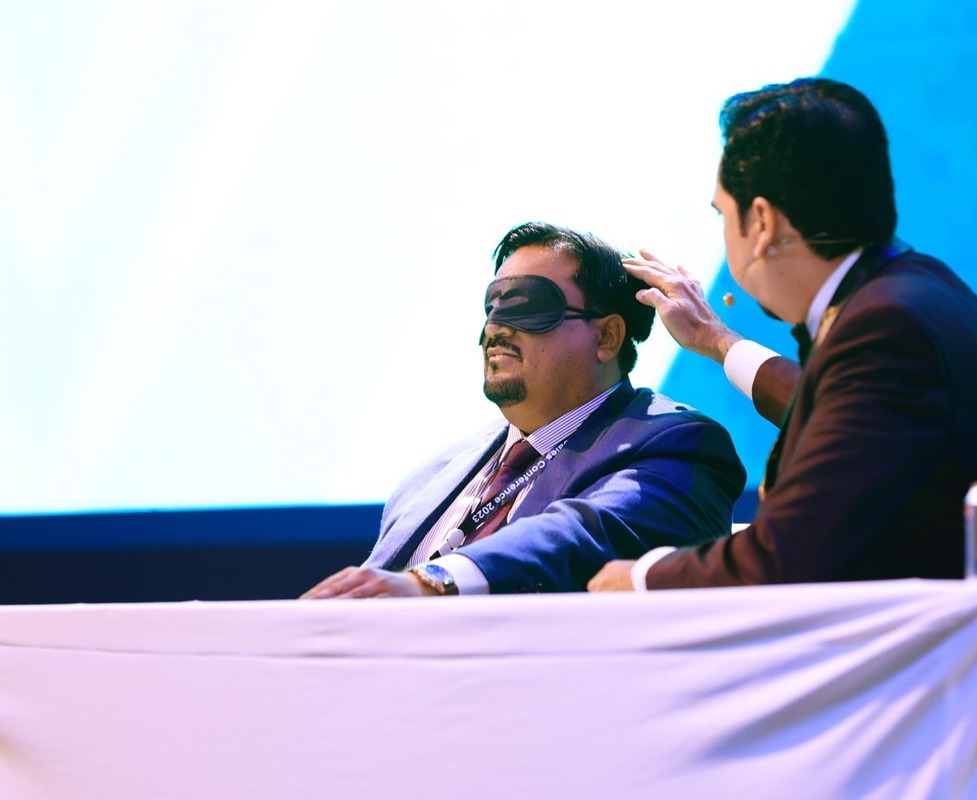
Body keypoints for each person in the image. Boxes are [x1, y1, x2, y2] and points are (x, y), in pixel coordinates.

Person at [588, 78, 977, 591]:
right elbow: (842, 417)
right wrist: (717, 341)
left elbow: (787, 557)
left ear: (761, 222)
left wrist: (641, 578)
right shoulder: (916, 289)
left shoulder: (886, 329)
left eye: (723, 214)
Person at [302, 221, 745, 598]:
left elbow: (582, 535)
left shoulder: (675, 444)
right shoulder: (430, 478)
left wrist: (434, 582)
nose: (495, 328)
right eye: (492, 307)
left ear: (607, 338)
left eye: (528, 306)